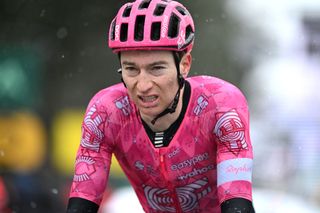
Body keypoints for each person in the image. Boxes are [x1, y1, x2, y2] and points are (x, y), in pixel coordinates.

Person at [66, 0, 255, 212]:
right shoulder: (106, 112)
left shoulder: (220, 104)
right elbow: (82, 203)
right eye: (131, 69)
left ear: (184, 65)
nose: (143, 85)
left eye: (156, 68)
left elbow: (238, 203)